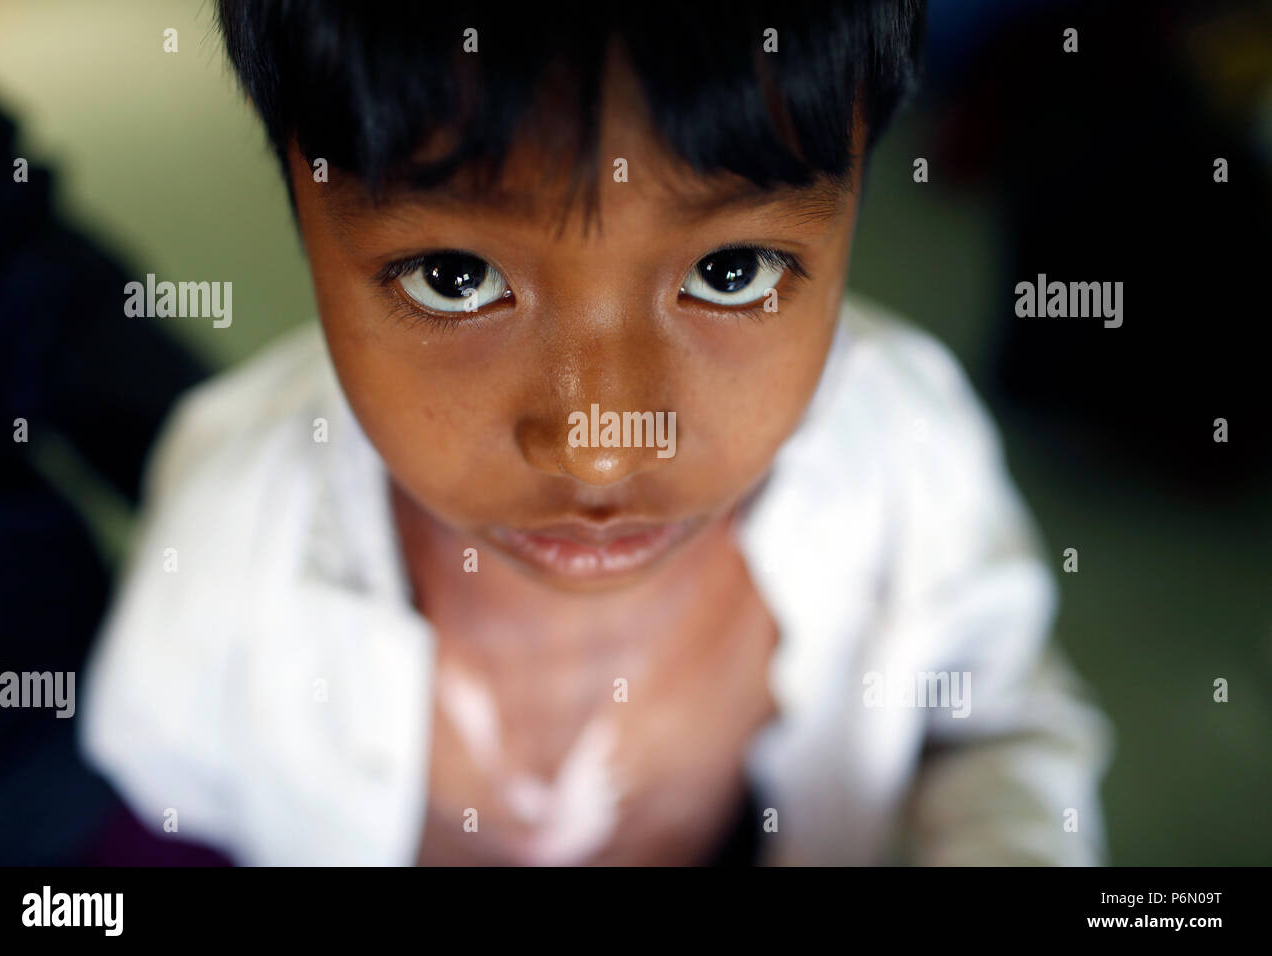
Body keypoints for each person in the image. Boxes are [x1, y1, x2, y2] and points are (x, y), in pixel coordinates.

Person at [79, 1, 1112, 865]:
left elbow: (994, 724)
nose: (601, 446)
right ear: (304, 216)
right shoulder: (232, 518)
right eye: (456, 279)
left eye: (731, 271)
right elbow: (164, 812)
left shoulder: (903, 450)